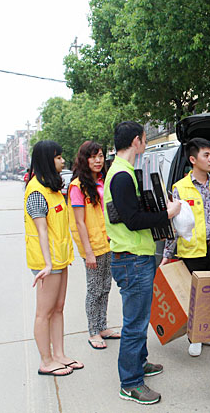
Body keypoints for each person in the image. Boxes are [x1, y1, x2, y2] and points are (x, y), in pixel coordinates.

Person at [104, 121, 181, 405]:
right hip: (131, 258)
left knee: (140, 319)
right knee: (135, 324)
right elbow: (133, 220)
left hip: (136, 256)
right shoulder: (122, 175)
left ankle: (140, 364)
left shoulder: (121, 172)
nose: (146, 143)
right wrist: (168, 214)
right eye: (145, 139)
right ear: (136, 141)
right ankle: (130, 383)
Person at [161, 138, 210, 357]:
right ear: (193, 159)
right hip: (192, 250)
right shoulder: (180, 188)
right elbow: (174, 225)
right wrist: (167, 254)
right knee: (194, 295)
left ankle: (209, 334)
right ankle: (195, 336)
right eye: (206, 155)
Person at [24, 140, 82, 377]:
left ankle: (59, 355)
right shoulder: (36, 191)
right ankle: (46, 361)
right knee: (44, 313)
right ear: (48, 160)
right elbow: (41, 231)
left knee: (58, 308)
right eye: (58, 157)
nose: (62, 161)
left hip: (60, 259)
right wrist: (47, 265)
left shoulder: (53, 188)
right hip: (46, 263)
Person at [68, 141, 119, 351]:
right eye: (93, 157)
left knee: (106, 287)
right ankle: (93, 331)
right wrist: (88, 251)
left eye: (100, 156)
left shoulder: (103, 181)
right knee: (94, 290)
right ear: (84, 159)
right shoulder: (77, 186)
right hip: (92, 247)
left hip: (108, 243)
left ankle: (102, 326)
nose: (98, 160)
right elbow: (79, 222)